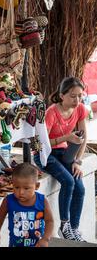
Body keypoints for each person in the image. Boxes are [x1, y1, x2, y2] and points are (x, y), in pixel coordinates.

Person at [34, 77, 88, 241]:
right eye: (73, 96)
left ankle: (74, 228)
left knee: (80, 187)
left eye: (80, 96)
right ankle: (64, 225)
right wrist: (66, 137)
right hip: (45, 155)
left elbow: (84, 138)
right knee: (68, 182)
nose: (77, 100)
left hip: (65, 153)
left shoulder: (80, 110)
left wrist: (77, 162)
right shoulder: (51, 112)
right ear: (62, 95)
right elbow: (39, 144)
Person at [0, 163, 54, 247]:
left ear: (36, 186)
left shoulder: (42, 201)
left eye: (26, 188)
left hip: (38, 244)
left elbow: (49, 221)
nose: (21, 192)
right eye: (17, 187)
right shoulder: (8, 201)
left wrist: (45, 239)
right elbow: (0, 217)